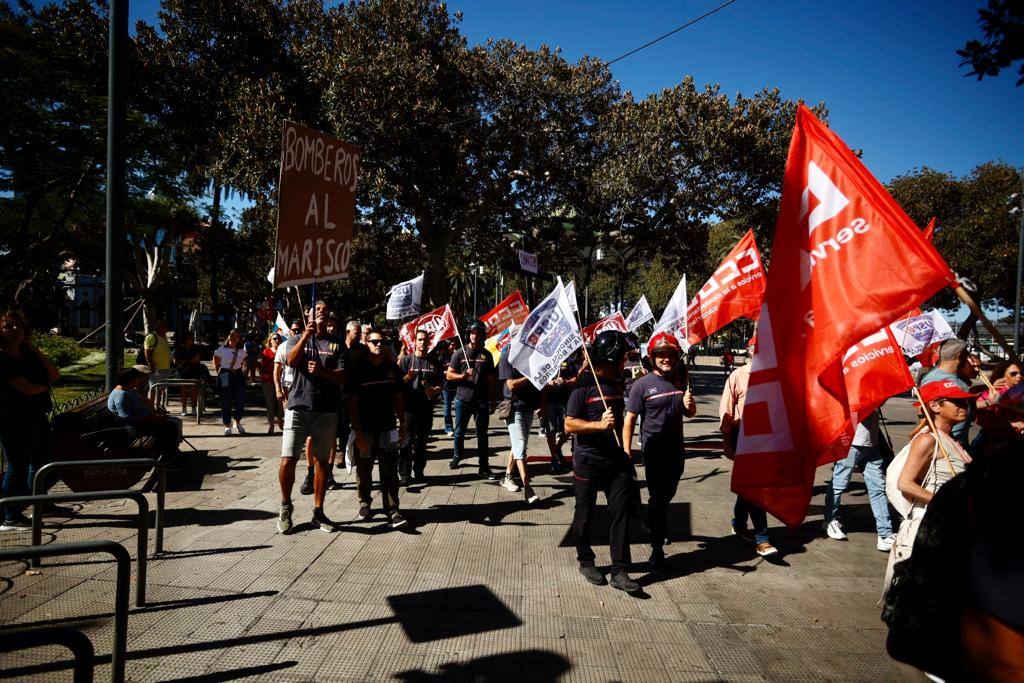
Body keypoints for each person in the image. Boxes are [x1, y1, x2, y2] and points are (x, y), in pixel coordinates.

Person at [566, 331, 639, 593]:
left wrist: (627, 450)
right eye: (621, 357)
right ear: (611, 357)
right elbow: (569, 423)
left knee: (620, 511)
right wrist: (599, 425)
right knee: (584, 513)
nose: (624, 361)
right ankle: (586, 561)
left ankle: (620, 570)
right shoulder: (583, 387)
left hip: (615, 461)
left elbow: (621, 422)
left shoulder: (616, 384)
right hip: (587, 461)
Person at [883, 380, 974, 594]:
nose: (964, 406)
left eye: (964, 401)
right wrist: (945, 502)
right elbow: (905, 483)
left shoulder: (951, 440)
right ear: (934, 406)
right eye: (956, 401)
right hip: (931, 529)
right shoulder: (927, 440)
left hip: (950, 527)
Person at [623, 333, 696, 575]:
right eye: (661, 355)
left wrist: (690, 404)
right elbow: (630, 419)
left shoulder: (680, 379)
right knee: (657, 496)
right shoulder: (641, 385)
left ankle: (653, 518)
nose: (666, 359)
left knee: (664, 497)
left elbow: (689, 414)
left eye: (670, 355)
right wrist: (626, 451)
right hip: (653, 450)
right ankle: (657, 548)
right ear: (652, 358)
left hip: (677, 450)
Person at [278, 301, 345, 534]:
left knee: (322, 463)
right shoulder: (296, 340)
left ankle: (318, 511)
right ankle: (286, 506)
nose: (321, 312)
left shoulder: (337, 344)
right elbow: (290, 361)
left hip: (326, 410)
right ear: (307, 315)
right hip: (298, 407)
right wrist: (305, 338)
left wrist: (323, 372)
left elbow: (342, 377)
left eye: (325, 310)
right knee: (288, 459)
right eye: (316, 309)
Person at [0, 311, 59, 531]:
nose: (15, 329)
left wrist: (33, 348)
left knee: (41, 462)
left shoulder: (27, 355)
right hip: (14, 419)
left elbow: (54, 374)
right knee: (17, 466)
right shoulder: (3, 358)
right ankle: (11, 516)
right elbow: (25, 387)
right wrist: (43, 387)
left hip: (37, 414)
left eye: (18, 326)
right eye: (9, 326)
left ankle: (39, 504)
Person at [719, 349, 779, 557]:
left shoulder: (774, 376)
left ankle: (739, 522)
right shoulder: (737, 376)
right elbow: (726, 411)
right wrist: (727, 443)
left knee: (749, 486)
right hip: (741, 435)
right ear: (750, 351)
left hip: (766, 438)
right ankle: (762, 538)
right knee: (755, 487)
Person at [349, 330, 408, 528]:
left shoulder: (392, 368)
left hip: (388, 428)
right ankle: (365, 502)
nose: (378, 345)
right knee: (364, 470)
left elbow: (399, 398)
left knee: (390, 470)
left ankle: (393, 510)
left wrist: (403, 424)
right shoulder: (358, 370)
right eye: (374, 341)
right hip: (365, 429)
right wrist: (357, 432)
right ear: (367, 343)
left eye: (382, 342)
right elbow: (353, 404)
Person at [823, 410, 895, 551]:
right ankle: (829, 520)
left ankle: (885, 533)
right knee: (839, 484)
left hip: (871, 442)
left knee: (878, 488)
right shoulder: (854, 388)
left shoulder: (873, 389)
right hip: (850, 441)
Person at [446, 321, 497, 479]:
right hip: (462, 399)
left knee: (482, 434)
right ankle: (457, 456)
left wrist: (493, 400)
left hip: (481, 401)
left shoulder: (487, 355)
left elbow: (491, 380)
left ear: (482, 335)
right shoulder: (459, 353)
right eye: (472, 333)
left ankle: (484, 466)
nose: (474, 336)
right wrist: (463, 376)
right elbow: (449, 374)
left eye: (477, 333)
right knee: (459, 432)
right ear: (468, 334)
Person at [106, 366, 183, 467]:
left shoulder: (129, 391)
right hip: (133, 428)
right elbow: (127, 418)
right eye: (138, 378)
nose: (140, 380)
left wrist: (155, 415)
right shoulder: (121, 395)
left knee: (171, 423)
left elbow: (141, 408)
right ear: (130, 380)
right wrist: (153, 419)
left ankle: (171, 455)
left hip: (142, 423)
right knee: (170, 427)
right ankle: (168, 461)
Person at [497, 342, 541, 503]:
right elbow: (511, 385)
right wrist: (530, 376)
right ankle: (528, 488)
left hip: (528, 407)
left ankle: (507, 477)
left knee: (518, 445)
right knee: (521, 447)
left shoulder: (531, 353)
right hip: (514, 408)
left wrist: (540, 405)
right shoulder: (507, 353)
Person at [399, 328, 442, 485]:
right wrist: (407, 377)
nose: (423, 342)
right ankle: (404, 475)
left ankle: (419, 472)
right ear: (414, 342)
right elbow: (397, 384)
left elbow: (441, 385)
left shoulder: (434, 362)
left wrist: (433, 390)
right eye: (420, 339)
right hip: (408, 408)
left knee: (422, 442)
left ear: (429, 342)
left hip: (426, 407)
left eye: (425, 339)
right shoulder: (406, 361)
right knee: (406, 441)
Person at [539, 352, 578, 474]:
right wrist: (547, 383)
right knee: (551, 431)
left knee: (568, 429)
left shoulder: (567, 359)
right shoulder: (544, 359)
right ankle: (554, 459)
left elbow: (575, 378)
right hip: (549, 401)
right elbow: (538, 380)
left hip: (564, 401)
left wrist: (565, 381)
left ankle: (557, 448)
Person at [213, 329, 247, 436]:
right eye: (232, 335)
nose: (234, 337)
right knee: (226, 401)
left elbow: (244, 363)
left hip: (238, 374)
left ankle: (237, 422)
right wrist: (220, 373)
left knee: (240, 400)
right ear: (228, 336)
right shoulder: (221, 349)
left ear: (239, 338)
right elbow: (216, 363)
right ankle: (227, 425)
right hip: (224, 374)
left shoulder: (242, 350)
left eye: (236, 336)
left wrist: (244, 374)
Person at [173, 331, 203, 416]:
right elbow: (175, 361)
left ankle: (193, 407)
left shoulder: (196, 348)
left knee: (194, 389)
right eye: (191, 338)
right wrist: (184, 363)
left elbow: (198, 359)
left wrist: (186, 361)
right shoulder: (179, 348)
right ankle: (184, 408)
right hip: (182, 372)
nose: (192, 339)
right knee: (184, 389)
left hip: (194, 371)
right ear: (186, 339)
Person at [260, 334, 285, 434]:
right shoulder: (266, 352)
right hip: (268, 380)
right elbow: (263, 366)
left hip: (281, 380)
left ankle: (279, 419)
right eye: (274, 338)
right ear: (270, 341)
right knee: (270, 403)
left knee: (281, 402)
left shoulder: (283, 350)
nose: (277, 340)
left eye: (279, 338)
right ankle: (271, 424)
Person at [440, 341, 455, 435]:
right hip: (446, 387)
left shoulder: (456, 355)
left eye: (453, 344)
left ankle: (458, 427)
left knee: (459, 408)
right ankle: (448, 428)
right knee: (447, 408)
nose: (453, 345)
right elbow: (438, 372)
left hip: (456, 386)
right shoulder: (442, 358)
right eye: (451, 344)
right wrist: (447, 372)